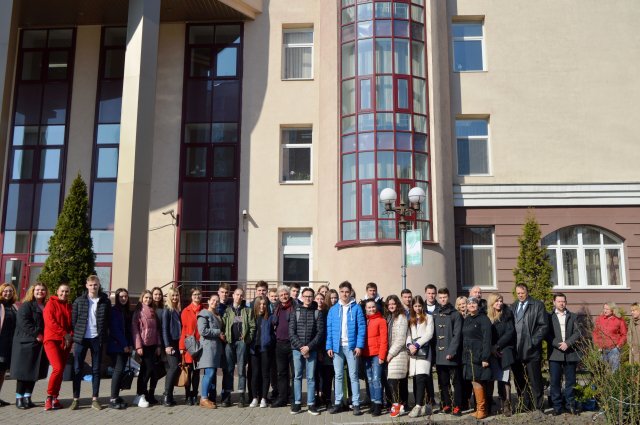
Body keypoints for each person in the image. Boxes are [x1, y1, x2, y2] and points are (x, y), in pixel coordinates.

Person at [70, 275, 111, 411]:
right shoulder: (79, 301)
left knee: (96, 369)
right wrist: (79, 333)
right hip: (81, 339)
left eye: (96, 285)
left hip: (97, 338)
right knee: (77, 369)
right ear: (86, 286)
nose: (93, 287)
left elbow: (108, 320)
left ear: (99, 285)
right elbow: (74, 320)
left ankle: (95, 399)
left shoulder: (105, 301)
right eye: (91, 285)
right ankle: (76, 399)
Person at [326, 281, 366, 416]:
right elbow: (329, 329)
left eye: (347, 292)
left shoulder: (357, 308)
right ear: (339, 292)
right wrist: (329, 346)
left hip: (351, 347)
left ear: (350, 292)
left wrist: (359, 346)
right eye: (342, 291)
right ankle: (338, 402)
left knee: (353, 376)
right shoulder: (333, 309)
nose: (344, 294)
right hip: (337, 347)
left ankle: (356, 403)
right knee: (338, 375)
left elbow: (361, 328)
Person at [11, 283, 48, 409]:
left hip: (38, 344)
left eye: (42, 290)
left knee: (33, 372)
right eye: (37, 290)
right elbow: (23, 322)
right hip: (25, 343)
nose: (40, 292)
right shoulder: (26, 305)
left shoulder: (45, 305)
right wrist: (37, 334)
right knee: (23, 373)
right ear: (32, 291)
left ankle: (28, 398)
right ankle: (19, 398)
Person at [512, 283, 548, 412]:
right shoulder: (514, 306)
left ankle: (538, 407)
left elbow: (543, 326)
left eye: (522, 293)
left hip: (531, 350)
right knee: (520, 380)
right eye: (518, 293)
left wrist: (533, 342)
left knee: (535, 379)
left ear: (527, 292)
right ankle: (525, 405)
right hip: (516, 349)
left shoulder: (537, 305)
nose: (520, 295)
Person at [289, 287, 325, 415]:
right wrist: (301, 348)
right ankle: (297, 403)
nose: (308, 298)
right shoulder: (295, 312)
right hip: (297, 350)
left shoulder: (317, 313)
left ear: (313, 298)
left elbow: (320, 333)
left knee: (311, 378)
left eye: (310, 296)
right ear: (302, 297)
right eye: (306, 296)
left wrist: (309, 347)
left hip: (312, 350)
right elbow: (291, 332)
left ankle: (311, 404)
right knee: (297, 376)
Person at [547, 293, 581, 416]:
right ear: (554, 302)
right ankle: (557, 407)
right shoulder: (549, 317)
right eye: (559, 301)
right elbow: (546, 334)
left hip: (570, 353)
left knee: (570, 381)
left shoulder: (573, 316)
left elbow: (578, 332)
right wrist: (558, 344)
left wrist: (568, 343)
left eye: (563, 301)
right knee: (555, 381)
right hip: (555, 353)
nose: (561, 303)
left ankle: (570, 405)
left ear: (566, 302)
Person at [222, 288, 255, 407]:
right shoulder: (227, 310)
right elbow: (222, 325)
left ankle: (241, 396)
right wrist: (224, 336)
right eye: (237, 294)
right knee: (228, 369)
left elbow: (252, 326)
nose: (239, 297)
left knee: (241, 369)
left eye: (241, 295)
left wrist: (247, 339)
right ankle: (227, 396)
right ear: (233, 295)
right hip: (229, 342)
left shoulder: (247, 310)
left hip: (242, 343)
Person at [433, 288, 463, 416]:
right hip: (439, 354)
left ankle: (457, 406)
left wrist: (451, 351)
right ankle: (447, 404)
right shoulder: (435, 313)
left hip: (452, 354)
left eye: (444, 297)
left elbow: (457, 335)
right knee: (443, 382)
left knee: (456, 382)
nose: (442, 300)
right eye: (440, 297)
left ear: (448, 297)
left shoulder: (455, 314)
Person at [43, 283, 73, 410]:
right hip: (52, 340)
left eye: (67, 291)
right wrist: (65, 334)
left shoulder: (69, 306)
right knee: (57, 368)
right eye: (62, 291)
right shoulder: (50, 303)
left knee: (61, 371)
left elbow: (72, 324)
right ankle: (49, 396)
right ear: (57, 291)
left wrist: (70, 336)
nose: (64, 294)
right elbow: (50, 322)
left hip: (65, 342)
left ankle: (55, 397)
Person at [462, 297, 492, 420]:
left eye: (474, 303)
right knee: (474, 381)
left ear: (478, 305)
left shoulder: (484, 319)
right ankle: (478, 409)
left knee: (478, 381)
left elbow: (487, 339)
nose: (471, 305)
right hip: (468, 355)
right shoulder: (467, 319)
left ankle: (482, 409)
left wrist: (485, 357)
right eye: (469, 303)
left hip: (479, 355)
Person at [486, 292, 515, 417]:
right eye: (497, 301)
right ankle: (488, 405)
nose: (499, 303)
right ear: (491, 302)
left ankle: (506, 405)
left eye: (501, 301)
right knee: (490, 379)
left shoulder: (507, 314)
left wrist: (497, 346)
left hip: (504, 350)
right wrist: (490, 348)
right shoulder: (486, 316)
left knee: (505, 379)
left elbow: (510, 332)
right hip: (489, 352)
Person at [132, 290, 161, 408]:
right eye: (146, 297)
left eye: (150, 298)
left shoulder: (153, 311)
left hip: (152, 345)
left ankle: (142, 394)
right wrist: (138, 346)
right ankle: (140, 394)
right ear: (142, 298)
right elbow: (135, 329)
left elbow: (157, 330)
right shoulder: (138, 311)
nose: (148, 300)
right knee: (146, 370)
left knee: (148, 370)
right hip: (143, 345)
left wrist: (158, 345)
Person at [406, 295, 434, 417]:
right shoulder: (411, 318)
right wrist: (409, 345)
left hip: (424, 351)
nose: (417, 308)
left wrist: (417, 345)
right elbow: (408, 334)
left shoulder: (428, 317)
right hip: (413, 352)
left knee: (421, 377)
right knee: (416, 379)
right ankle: (424, 405)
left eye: (419, 306)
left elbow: (429, 334)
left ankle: (417, 406)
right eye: (415, 306)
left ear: (423, 306)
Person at [197, 294, 225, 409]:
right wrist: (218, 332)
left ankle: (206, 398)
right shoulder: (204, 313)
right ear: (208, 301)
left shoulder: (217, 314)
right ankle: (203, 398)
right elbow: (202, 331)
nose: (215, 302)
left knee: (211, 373)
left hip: (216, 348)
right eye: (213, 300)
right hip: (207, 348)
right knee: (209, 373)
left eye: (217, 301)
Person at [108, 288, 133, 409]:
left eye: (125, 296)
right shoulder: (114, 311)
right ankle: (113, 398)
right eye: (121, 296)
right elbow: (115, 330)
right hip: (116, 346)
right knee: (118, 371)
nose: (124, 298)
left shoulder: (126, 311)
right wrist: (124, 345)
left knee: (120, 371)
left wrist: (130, 345)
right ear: (117, 298)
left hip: (125, 346)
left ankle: (116, 396)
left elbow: (129, 330)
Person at [385, 295, 409, 418]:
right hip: (392, 352)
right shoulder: (389, 317)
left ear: (397, 304)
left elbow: (401, 339)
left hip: (399, 353)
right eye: (389, 304)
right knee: (398, 381)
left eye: (393, 304)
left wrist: (390, 353)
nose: (391, 306)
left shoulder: (401, 317)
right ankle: (402, 405)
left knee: (393, 380)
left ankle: (396, 406)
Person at [363, 299, 387, 416]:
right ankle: (373, 402)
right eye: (369, 307)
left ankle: (378, 404)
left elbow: (384, 340)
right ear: (365, 309)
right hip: (366, 354)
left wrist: (382, 356)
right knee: (370, 380)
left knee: (377, 380)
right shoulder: (365, 320)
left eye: (373, 307)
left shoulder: (381, 320)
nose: (371, 309)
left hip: (377, 354)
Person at [249, 296, 274, 408]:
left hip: (265, 349)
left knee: (265, 374)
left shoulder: (270, 317)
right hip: (254, 349)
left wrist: (270, 341)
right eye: (260, 304)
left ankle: (263, 398)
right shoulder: (252, 316)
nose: (262, 306)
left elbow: (274, 331)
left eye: (264, 304)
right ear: (256, 305)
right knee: (255, 374)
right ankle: (255, 397)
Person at [179, 287, 203, 405]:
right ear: (191, 297)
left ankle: (194, 395)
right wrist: (181, 347)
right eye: (194, 294)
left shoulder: (204, 310)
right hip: (189, 345)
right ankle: (188, 395)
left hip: (200, 345)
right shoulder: (186, 311)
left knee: (197, 372)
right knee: (188, 371)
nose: (197, 296)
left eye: (198, 294)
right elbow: (183, 330)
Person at [272, 285, 295, 408]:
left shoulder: (295, 307)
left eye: (285, 294)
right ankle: (282, 398)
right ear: (278, 297)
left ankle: (294, 398)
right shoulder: (276, 308)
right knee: (281, 373)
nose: (284, 296)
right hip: (279, 344)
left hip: (293, 344)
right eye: (281, 295)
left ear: (289, 295)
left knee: (295, 374)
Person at [162, 287, 182, 406]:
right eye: (173, 295)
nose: (175, 297)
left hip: (177, 342)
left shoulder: (177, 309)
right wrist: (167, 345)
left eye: (176, 295)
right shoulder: (167, 310)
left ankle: (169, 395)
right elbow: (164, 329)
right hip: (170, 343)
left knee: (175, 368)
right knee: (173, 367)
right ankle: (166, 395)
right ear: (169, 297)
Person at [593, 302, 627, 372]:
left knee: (614, 371)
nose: (605, 311)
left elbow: (624, 334)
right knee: (602, 371)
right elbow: (595, 333)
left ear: (612, 310)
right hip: (601, 350)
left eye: (607, 309)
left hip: (614, 350)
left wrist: (618, 346)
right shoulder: (600, 319)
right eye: (604, 308)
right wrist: (597, 345)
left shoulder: (619, 320)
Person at [0, 283, 18, 407]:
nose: (8, 293)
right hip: (0, 343)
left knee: (2, 372)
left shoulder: (13, 307)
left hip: (9, 345)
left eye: (10, 291)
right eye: (5, 291)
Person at [147, 287, 165, 405]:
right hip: (150, 343)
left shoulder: (163, 308)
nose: (157, 296)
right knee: (148, 370)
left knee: (158, 369)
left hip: (161, 343)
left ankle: (151, 393)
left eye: (159, 294)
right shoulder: (149, 309)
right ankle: (143, 393)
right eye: (155, 294)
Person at [316, 292, 334, 408]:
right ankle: (317, 397)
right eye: (317, 298)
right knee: (316, 375)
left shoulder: (328, 313)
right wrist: (318, 351)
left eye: (321, 299)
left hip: (327, 347)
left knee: (327, 375)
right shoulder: (313, 312)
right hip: (315, 348)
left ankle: (327, 398)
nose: (319, 301)